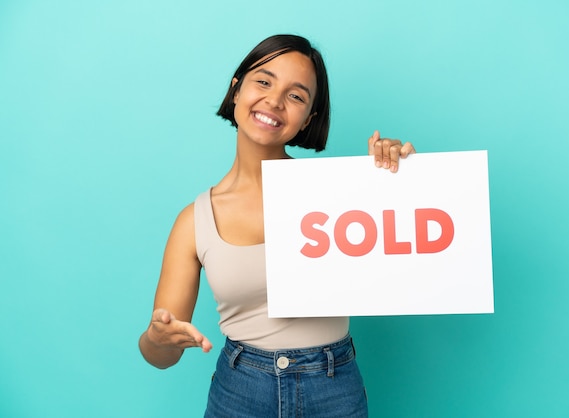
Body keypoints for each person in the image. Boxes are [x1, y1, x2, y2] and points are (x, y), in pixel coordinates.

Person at [138, 34, 415, 417]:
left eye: (296, 96)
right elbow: (161, 355)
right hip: (239, 391)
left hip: (334, 388)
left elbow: (404, 246)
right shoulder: (195, 220)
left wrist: (400, 176)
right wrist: (158, 338)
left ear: (309, 118)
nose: (274, 101)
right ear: (236, 90)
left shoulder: (340, 192)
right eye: (264, 81)